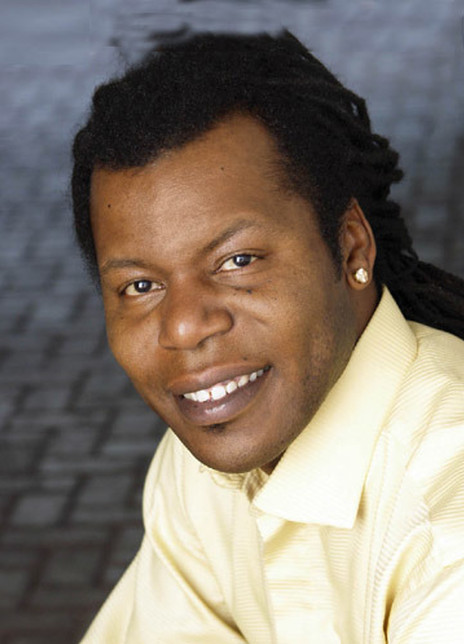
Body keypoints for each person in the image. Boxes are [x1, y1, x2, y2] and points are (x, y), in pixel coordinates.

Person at [73, 31, 464, 643]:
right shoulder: (199, 471)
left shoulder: (447, 520)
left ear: (351, 247)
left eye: (238, 261)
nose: (183, 327)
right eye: (141, 286)